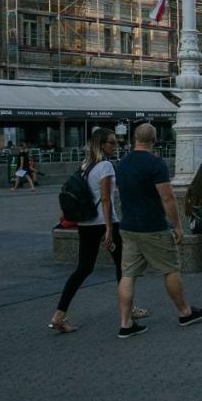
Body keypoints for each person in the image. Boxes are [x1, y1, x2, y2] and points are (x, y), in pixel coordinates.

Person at [113, 123, 202, 338]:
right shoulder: (156, 164)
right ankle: (184, 312)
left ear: (134, 139)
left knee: (128, 274)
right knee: (170, 269)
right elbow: (167, 198)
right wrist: (177, 225)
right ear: (154, 140)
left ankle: (125, 323)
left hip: (128, 226)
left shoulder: (122, 163)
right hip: (153, 226)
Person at [48, 128, 148, 334]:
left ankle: (59, 314)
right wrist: (110, 228)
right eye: (112, 143)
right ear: (102, 145)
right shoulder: (106, 166)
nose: (116, 146)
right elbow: (105, 199)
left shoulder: (85, 165)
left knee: (83, 268)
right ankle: (129, 311)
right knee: (124, 267)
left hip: (85, 223)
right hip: (105, 223)